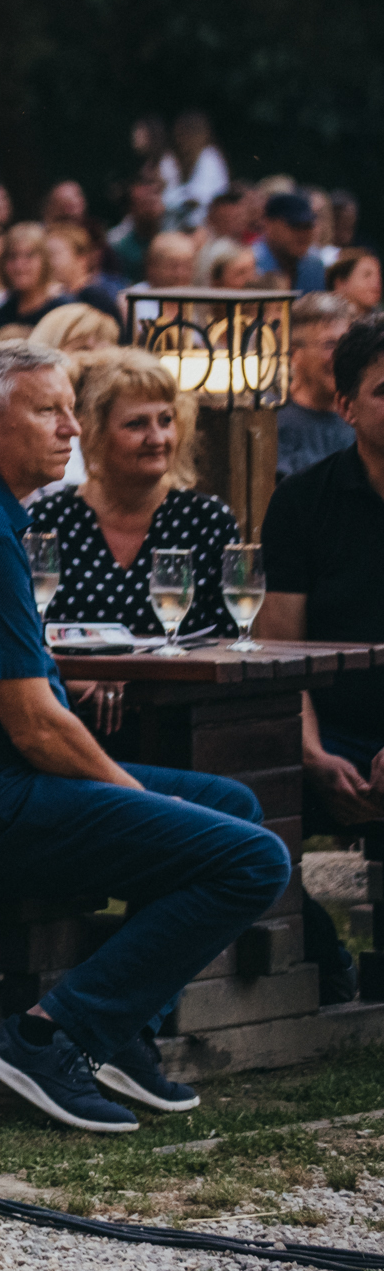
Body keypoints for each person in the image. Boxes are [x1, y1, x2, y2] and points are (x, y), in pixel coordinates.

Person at [0, 338, 287, 1132]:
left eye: (67, 409)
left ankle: (116, 1027)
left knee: (232, 805)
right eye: (47, 411)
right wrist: (128, 796)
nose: (69, 429)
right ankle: (44, 1040)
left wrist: (141, 803)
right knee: (250, 858)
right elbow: (35, 725)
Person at [261, 314, 384, 1003]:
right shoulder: (303, 502)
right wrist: (308, 752)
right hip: (326, 726)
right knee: (243, 797)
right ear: (344, 407)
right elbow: (282, 648)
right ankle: (314, 953)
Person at [32, 349, 237, 642]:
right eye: (136, 424)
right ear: (95, 432)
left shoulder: (209, 521)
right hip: (70, 687)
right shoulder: (48, 520)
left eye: (166, 420)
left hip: (182, 687)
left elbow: (232, 641)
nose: (157, 438)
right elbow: (26, 641)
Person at [277, 290, 354, 477]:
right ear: (294, 354)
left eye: (346, 344)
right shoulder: (272, 421)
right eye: (330, 345)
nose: (340, 356)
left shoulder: (362, 418)